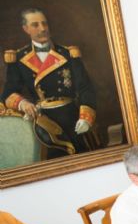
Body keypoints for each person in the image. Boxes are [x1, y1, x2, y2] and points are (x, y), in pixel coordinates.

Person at [1, 8, 96, 158]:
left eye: (44, 24)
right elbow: (8, 93)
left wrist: (86, 118)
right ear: (26, 29)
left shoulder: (68, 54)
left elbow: (86, 88)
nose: (43, 28)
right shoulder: (18, 59)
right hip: (42, 122)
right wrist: (23, 103)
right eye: (35, 25)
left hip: (72, 118)